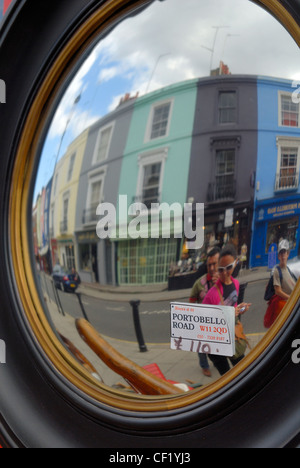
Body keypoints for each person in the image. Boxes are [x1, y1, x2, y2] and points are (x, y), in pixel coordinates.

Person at [202, 245, 251, 376]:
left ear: (235, 263)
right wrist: (228, 314)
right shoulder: (211, 294)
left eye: (228, 267)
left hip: (231, 336)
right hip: (216, 343)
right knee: (226, 376)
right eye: (221, 269)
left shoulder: (236, 283)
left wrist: (240, 309)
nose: (224, 273)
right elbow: (203, 321)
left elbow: (233, 307)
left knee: (241, 370)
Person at [189, 247, 220, 377]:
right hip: (202, 321)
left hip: (218, 321)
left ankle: (217, 361)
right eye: (209, 265)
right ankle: (204, 366)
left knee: (217, 344)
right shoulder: (199, 283)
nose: (212, 268)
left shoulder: (225, 280)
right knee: (201, 345)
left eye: (215, 264)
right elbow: (192, 300)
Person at [264, 239, 297, 328]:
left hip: (292, 305)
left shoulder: (289, 270)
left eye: (284, 253)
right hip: (285, 306)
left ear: (288, 254)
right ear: (278, 256)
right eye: (281, 254)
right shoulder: (277, 271)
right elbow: (278, 291)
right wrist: (291, 299)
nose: (283, 256)